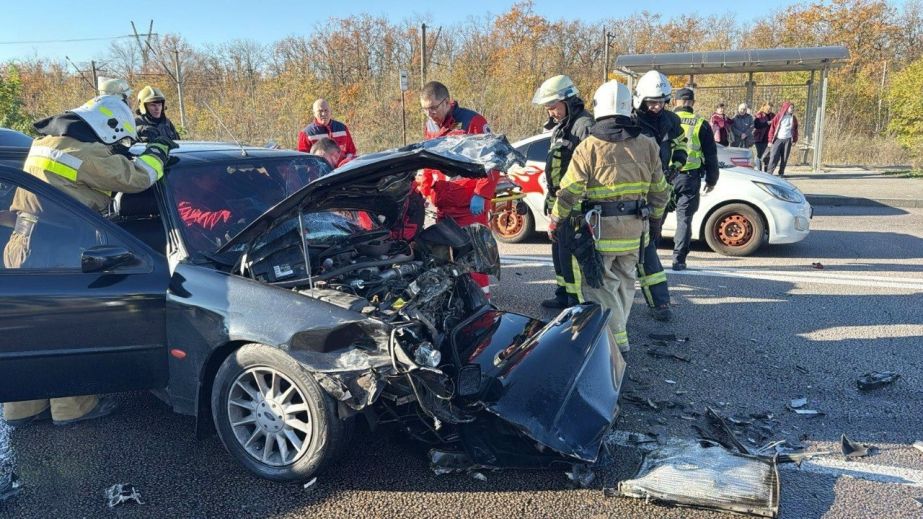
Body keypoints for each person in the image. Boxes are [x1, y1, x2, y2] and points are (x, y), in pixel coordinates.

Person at [2, 95, 175, 426]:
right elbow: (137, 179)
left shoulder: (46, 142)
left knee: (26, 332)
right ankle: (74, 408)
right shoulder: (85, 151)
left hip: (20, 243)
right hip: (58, 249)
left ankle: (23, 408)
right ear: (107, 128)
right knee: (69, 329)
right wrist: (157, 152)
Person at [550, 80, 669, 353]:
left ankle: (616, 347)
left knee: (598, 289)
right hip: (635, 232)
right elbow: (660, 191)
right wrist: (655, 221)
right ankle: (616, 339)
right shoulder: (648, 145)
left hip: (600, 233)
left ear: (599, 107)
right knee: (625, 285)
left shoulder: (589, 147)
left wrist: (557, 219)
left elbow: (569, 192)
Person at [418, 81, 497, 296]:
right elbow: (428, 163)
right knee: (446, 260)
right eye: (425, 109)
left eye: (433, 108)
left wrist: (481, 193)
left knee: (473, 261)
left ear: (446, 102)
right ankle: (455, 302)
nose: (430, 114)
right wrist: (425, 191)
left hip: (469, 207)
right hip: (445, 206)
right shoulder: (431, 127)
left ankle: (482, 306)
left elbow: (491, 161)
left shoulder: (472, 122)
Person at [532, 75, 594, 309]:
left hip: (574, 204)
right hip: (559, 199)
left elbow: (587, 168)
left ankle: (575, 301)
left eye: (553, 107)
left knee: (572, 257)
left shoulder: (583, 125)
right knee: (559, 252)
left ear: (568, 101)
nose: (551, 113)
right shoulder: (563, 125)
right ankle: (563, 293)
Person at [631, 70, 687, 322]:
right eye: (651, 102)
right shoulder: (631, 122)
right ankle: (659, 301)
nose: (656, 107)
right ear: (640, 100)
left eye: (661, 102)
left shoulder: (671, 121)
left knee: (649, 243)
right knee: (645, 247)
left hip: (659, 188)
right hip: (636, 190)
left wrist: (678, 162)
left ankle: (658, 300)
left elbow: (680, 143)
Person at [671, 88, 719, 271]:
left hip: (664, 176)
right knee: (684, 219)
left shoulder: (666, 120)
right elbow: (711, 155)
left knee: (656, 218)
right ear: (692, 102)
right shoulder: (701, 123)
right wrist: (712, 180)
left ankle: (651, 260)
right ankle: (678, 259)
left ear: (675, 102)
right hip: (688, 177)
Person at [766, 102, 799, 177]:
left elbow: (796, 129)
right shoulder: (779, 116)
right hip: (778, 139)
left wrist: (794, 140)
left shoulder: (793, 118)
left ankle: (781, 173)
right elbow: (772, 128)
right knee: (774, 156)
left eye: (793, 108)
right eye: (791, 108)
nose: (792, 109)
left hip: (788, 140)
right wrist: (770, 140)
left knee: (784, 158)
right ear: (786, 108)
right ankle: (769, 173)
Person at [753, 103, 775, 171]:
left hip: (769, 139)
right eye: (767, 108)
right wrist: (767, 123)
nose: (769, 110)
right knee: (759, 155)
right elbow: (756, 125)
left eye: (770, 109)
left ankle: (767, 172)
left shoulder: (773, 115)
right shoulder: (759, 115)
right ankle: (758, 171)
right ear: (763, 107)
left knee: (767, 156)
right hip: (759, 138)